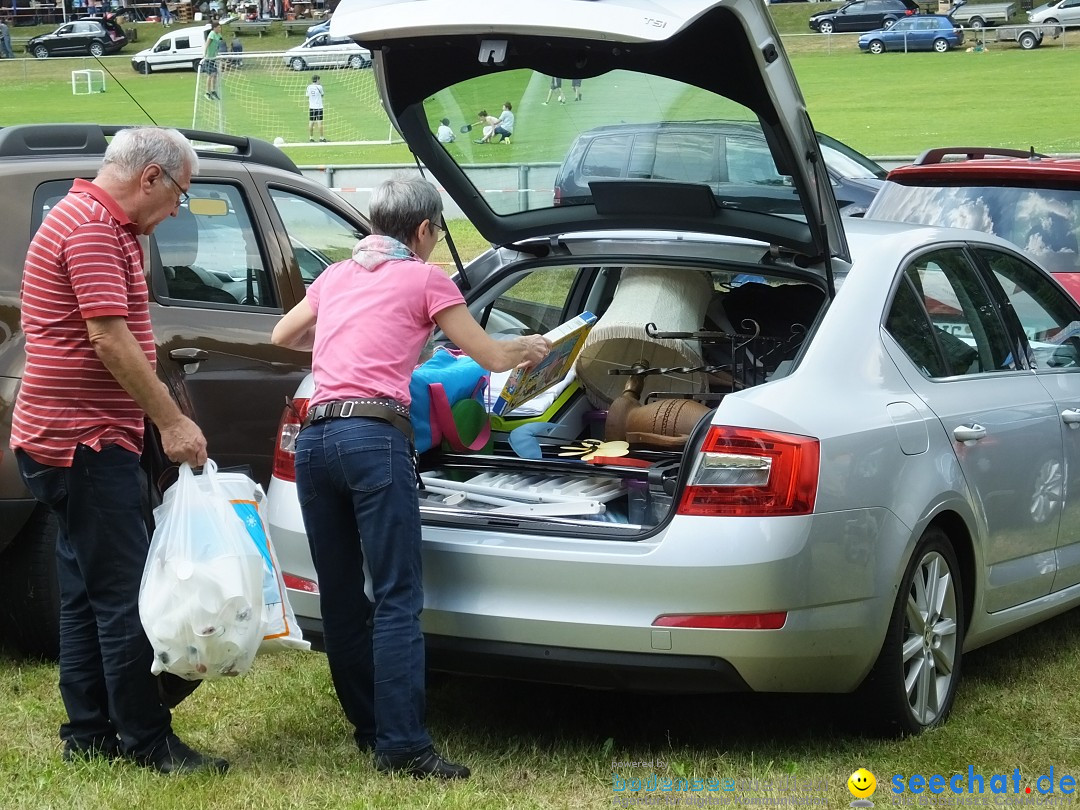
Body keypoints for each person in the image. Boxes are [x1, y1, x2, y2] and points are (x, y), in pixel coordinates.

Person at [270, 176, 550, 780]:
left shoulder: (338, 275)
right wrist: (540, 347)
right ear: (423, 230)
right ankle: (404, 746)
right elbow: (492, 357)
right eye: (436, 234)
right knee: (397, 595)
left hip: (317, 437)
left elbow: (281, 335)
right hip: (375, 439)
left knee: (343, 598)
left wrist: (348, 340)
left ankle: (370, 729)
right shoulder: (426, 278)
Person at [10, 126, 228, 775]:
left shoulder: (92, 220)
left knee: (82, 591)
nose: (177, 210)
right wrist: (172, 424)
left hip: (64, 438)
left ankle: (88, 732)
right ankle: (147, 739)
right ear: (151, 177)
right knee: (123, 597)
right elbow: (109, 340)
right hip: (84, 441)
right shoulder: (95, 229)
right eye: (181, 195)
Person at [203, 20, 224, 100]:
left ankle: (213, 90)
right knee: (211, 74)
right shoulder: (211, 34)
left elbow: (220, 44)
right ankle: (207, 92)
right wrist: (204, 54)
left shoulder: (218, 35)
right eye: (218, 27)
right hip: (209, 57)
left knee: (215, 74)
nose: (220, 29)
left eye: (220, 27)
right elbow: (207, 44)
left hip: (214, 57)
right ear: (214, 28)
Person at [307, 74, 326, 142]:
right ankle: (321, 137)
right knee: (319, 123)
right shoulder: (319, 87)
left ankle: (311, 137)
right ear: (317, 80)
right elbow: (322, 95)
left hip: (311, 107)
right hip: (319, 107)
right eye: (319, 80)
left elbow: (307, 95)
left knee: (311, 122)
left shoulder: (309, 87)